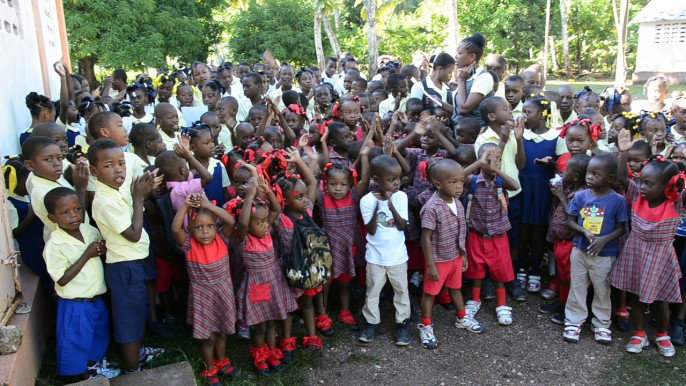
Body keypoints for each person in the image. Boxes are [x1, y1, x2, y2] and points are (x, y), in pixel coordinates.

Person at [87, 139, 163, 373]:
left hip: (133, 264)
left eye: (121, 163)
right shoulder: (105, 201)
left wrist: (137, 193)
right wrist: (140, 197)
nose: (118, 169)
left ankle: (138, 355)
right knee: (129, 323)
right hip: (124, 267)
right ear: (94, 171)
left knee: (137, 313)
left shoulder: (116, 192)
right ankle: (133, 373)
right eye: (109, 165)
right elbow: (132, 233)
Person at [611, 131, 685, 356]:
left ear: (667, 186)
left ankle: (662, 334)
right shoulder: (637, 195)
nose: (642, 186)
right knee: (636, 297)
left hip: (661, 256)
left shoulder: (676, 203)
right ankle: (639, 333)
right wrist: (623, 153)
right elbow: (624, 177)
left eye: (649, 183)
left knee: (661, 301)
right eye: (642, 180)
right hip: (636, 252)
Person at [43, 187, 119, 380]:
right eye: (65, 213)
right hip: (75, 304)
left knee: (98, 335)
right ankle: (80, 376)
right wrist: (87, 255)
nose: (74, 216)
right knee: (75, 342)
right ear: (53, 218)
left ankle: (93, 366)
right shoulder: (55, 245)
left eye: (77, 209)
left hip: (95, 298)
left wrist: (100, 249)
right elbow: (62, 278)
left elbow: (100, 244)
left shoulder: (87, 229)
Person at [226, 176, 297, 377]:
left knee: (272, 322)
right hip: (256, 288)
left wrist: (267, 191)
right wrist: (249, 196)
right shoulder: (243, 240)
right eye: (260, 222)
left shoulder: (266, 234)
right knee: (260, 326)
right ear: (248, 225)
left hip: (273, 284)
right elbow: (241, 223)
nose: (266, 225)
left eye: (266, 222)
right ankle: (260, 357)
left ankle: (273, 353)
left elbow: (275, 210)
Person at [171, 193, 239, 384]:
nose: (206, 232)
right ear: (190, 230)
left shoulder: (222, 239)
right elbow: (175, 228)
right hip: (203, 297)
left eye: (210, 226)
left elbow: (231, 220)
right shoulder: (188, 245)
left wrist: (208, 205)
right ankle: (210, 369)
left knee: (222, 333)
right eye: (199, 228)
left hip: (222, 292)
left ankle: (222, 361)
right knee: (208, 338)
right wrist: (185, 205)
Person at [418, 158, 484, 350]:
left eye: (461, 181)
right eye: (453, 182)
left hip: (455, 256)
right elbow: (426, 238)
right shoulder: (431, 208)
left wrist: (462, 254)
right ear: (438, 184)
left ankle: (462, 317)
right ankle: (426, 326)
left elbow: (461, 231)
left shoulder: (458, 203)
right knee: (430, 293)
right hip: (438, 259)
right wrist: (430, 264)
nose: (459, 186)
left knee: (456, 288)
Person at [563, 152, 628, 344]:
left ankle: (601, 324)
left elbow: (622, 228)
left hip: (604, 255)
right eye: (588, 173)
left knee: (602, 290)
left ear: (611, 178)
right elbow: (570, 221)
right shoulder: (581, 196)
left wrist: (604, 240)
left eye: (596, 174)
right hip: (580, 251)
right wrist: (583, 230)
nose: (590, 177)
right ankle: (574, 322)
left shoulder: (617, 201)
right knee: (577, 287)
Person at [274, 147, 332, 349]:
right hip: (287, 271)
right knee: (288, 309)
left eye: (304, 195)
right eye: (298, 197)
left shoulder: (306, 210)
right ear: (283, 200)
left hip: (307, 269)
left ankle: (312, 336)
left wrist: (299, 161)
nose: (305, 199)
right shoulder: (280, 219)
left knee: (307, 304)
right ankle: (287, 339)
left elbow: (313, 182)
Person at [461, 143, 519, 325]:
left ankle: (501, 304)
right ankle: (475, 300)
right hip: (476, 235)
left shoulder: (501, 182)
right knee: (476, 271)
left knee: (500, 272)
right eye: (489, 159)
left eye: (499, 159)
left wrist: (497, 170)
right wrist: (480, 163)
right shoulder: (472, 181)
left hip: (498, 236)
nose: (495, 163)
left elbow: (515, 185)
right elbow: (458, 177)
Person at [474, 97, 526, 300]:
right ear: (492, 116)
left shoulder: (513, 134)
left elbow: (520, 164)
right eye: (505, 108)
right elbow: (490, 166)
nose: (510, 109)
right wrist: (503, 140)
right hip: (491, 197)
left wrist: (519, 139)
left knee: (511, 240)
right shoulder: (483, 139)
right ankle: (488, 279)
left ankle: (509, 278)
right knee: (489, 240)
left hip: (513, 193)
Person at [359, 154, 411, 345]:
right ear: (376, 180)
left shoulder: (401, 197)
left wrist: (390, 205)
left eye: (398, 179)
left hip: (398, 257)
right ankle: (371, 323)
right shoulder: (366, 201)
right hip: (375, 257)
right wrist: (379, 205)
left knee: (401, 292)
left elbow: (402, 226)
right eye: (390, 180)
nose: (396, 184)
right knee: (372, 292)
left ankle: (402, 323)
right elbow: (371, 229)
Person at [517, 96, 567, 293]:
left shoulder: (556, 137)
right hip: (523, 186)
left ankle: (536, 270)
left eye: (528, 112)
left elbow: (564, 166)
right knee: (522, 232)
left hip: (543, 190)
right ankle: (521, 269)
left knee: (538, 233)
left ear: (541, 114)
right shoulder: (521, 135)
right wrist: (519, 138)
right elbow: (519, 162)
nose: (524, 116)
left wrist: (552, 164)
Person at [318, 153, 371, 331]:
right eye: (333, 184)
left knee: (345, 282)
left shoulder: (354, 196)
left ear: (350, 186)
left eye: (343, 185)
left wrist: (364, 156)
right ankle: (323, 315)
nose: (338, 189)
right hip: (328, 247)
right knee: (324, 283)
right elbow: (311, 182)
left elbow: (364, 179)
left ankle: (345, 311)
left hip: (347, 246)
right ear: (325, 185)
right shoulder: (322, 198)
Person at [539, 154, 590, 324]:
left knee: (572, 278)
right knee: (562, 276)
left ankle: (571, 309)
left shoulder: (582, 194)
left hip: (571, 243)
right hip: (559, 241)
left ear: (576, 176)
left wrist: (561, 196)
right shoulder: (568, 188)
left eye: (566, 170)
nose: (563, 172)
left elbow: (574, 216)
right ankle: (562, 303)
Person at [22, 137, 89, 241]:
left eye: (59, 158)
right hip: (69, 245)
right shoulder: (42, 193)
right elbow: (76, 222)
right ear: (30, 165)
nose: (57, 163)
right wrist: (80, 189)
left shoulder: (51, 176)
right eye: (48, 159)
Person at [3, 159, 51, 290]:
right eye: (24, 184)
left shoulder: (25, 195)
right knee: (47, 280)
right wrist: (30, 217)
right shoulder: (10, 203)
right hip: (32, 248)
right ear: (12, 182)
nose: (27, 186)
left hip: (41, 242)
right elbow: (13, 233)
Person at [452, 33, 494, 128]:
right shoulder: (468, 76)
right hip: (461, 134)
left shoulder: (484, 78)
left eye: (459, 53)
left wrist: (461, 80)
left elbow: (464, 109)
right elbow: (458, 109)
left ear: (472, 57)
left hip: (475, 136)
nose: (456, 56)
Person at [186, 123, 230, 205]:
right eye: (206, 143)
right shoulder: (187, 168)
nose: (212, 146)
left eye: (212, 141)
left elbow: (225, 192)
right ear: (192, 147)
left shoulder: (218, 165)